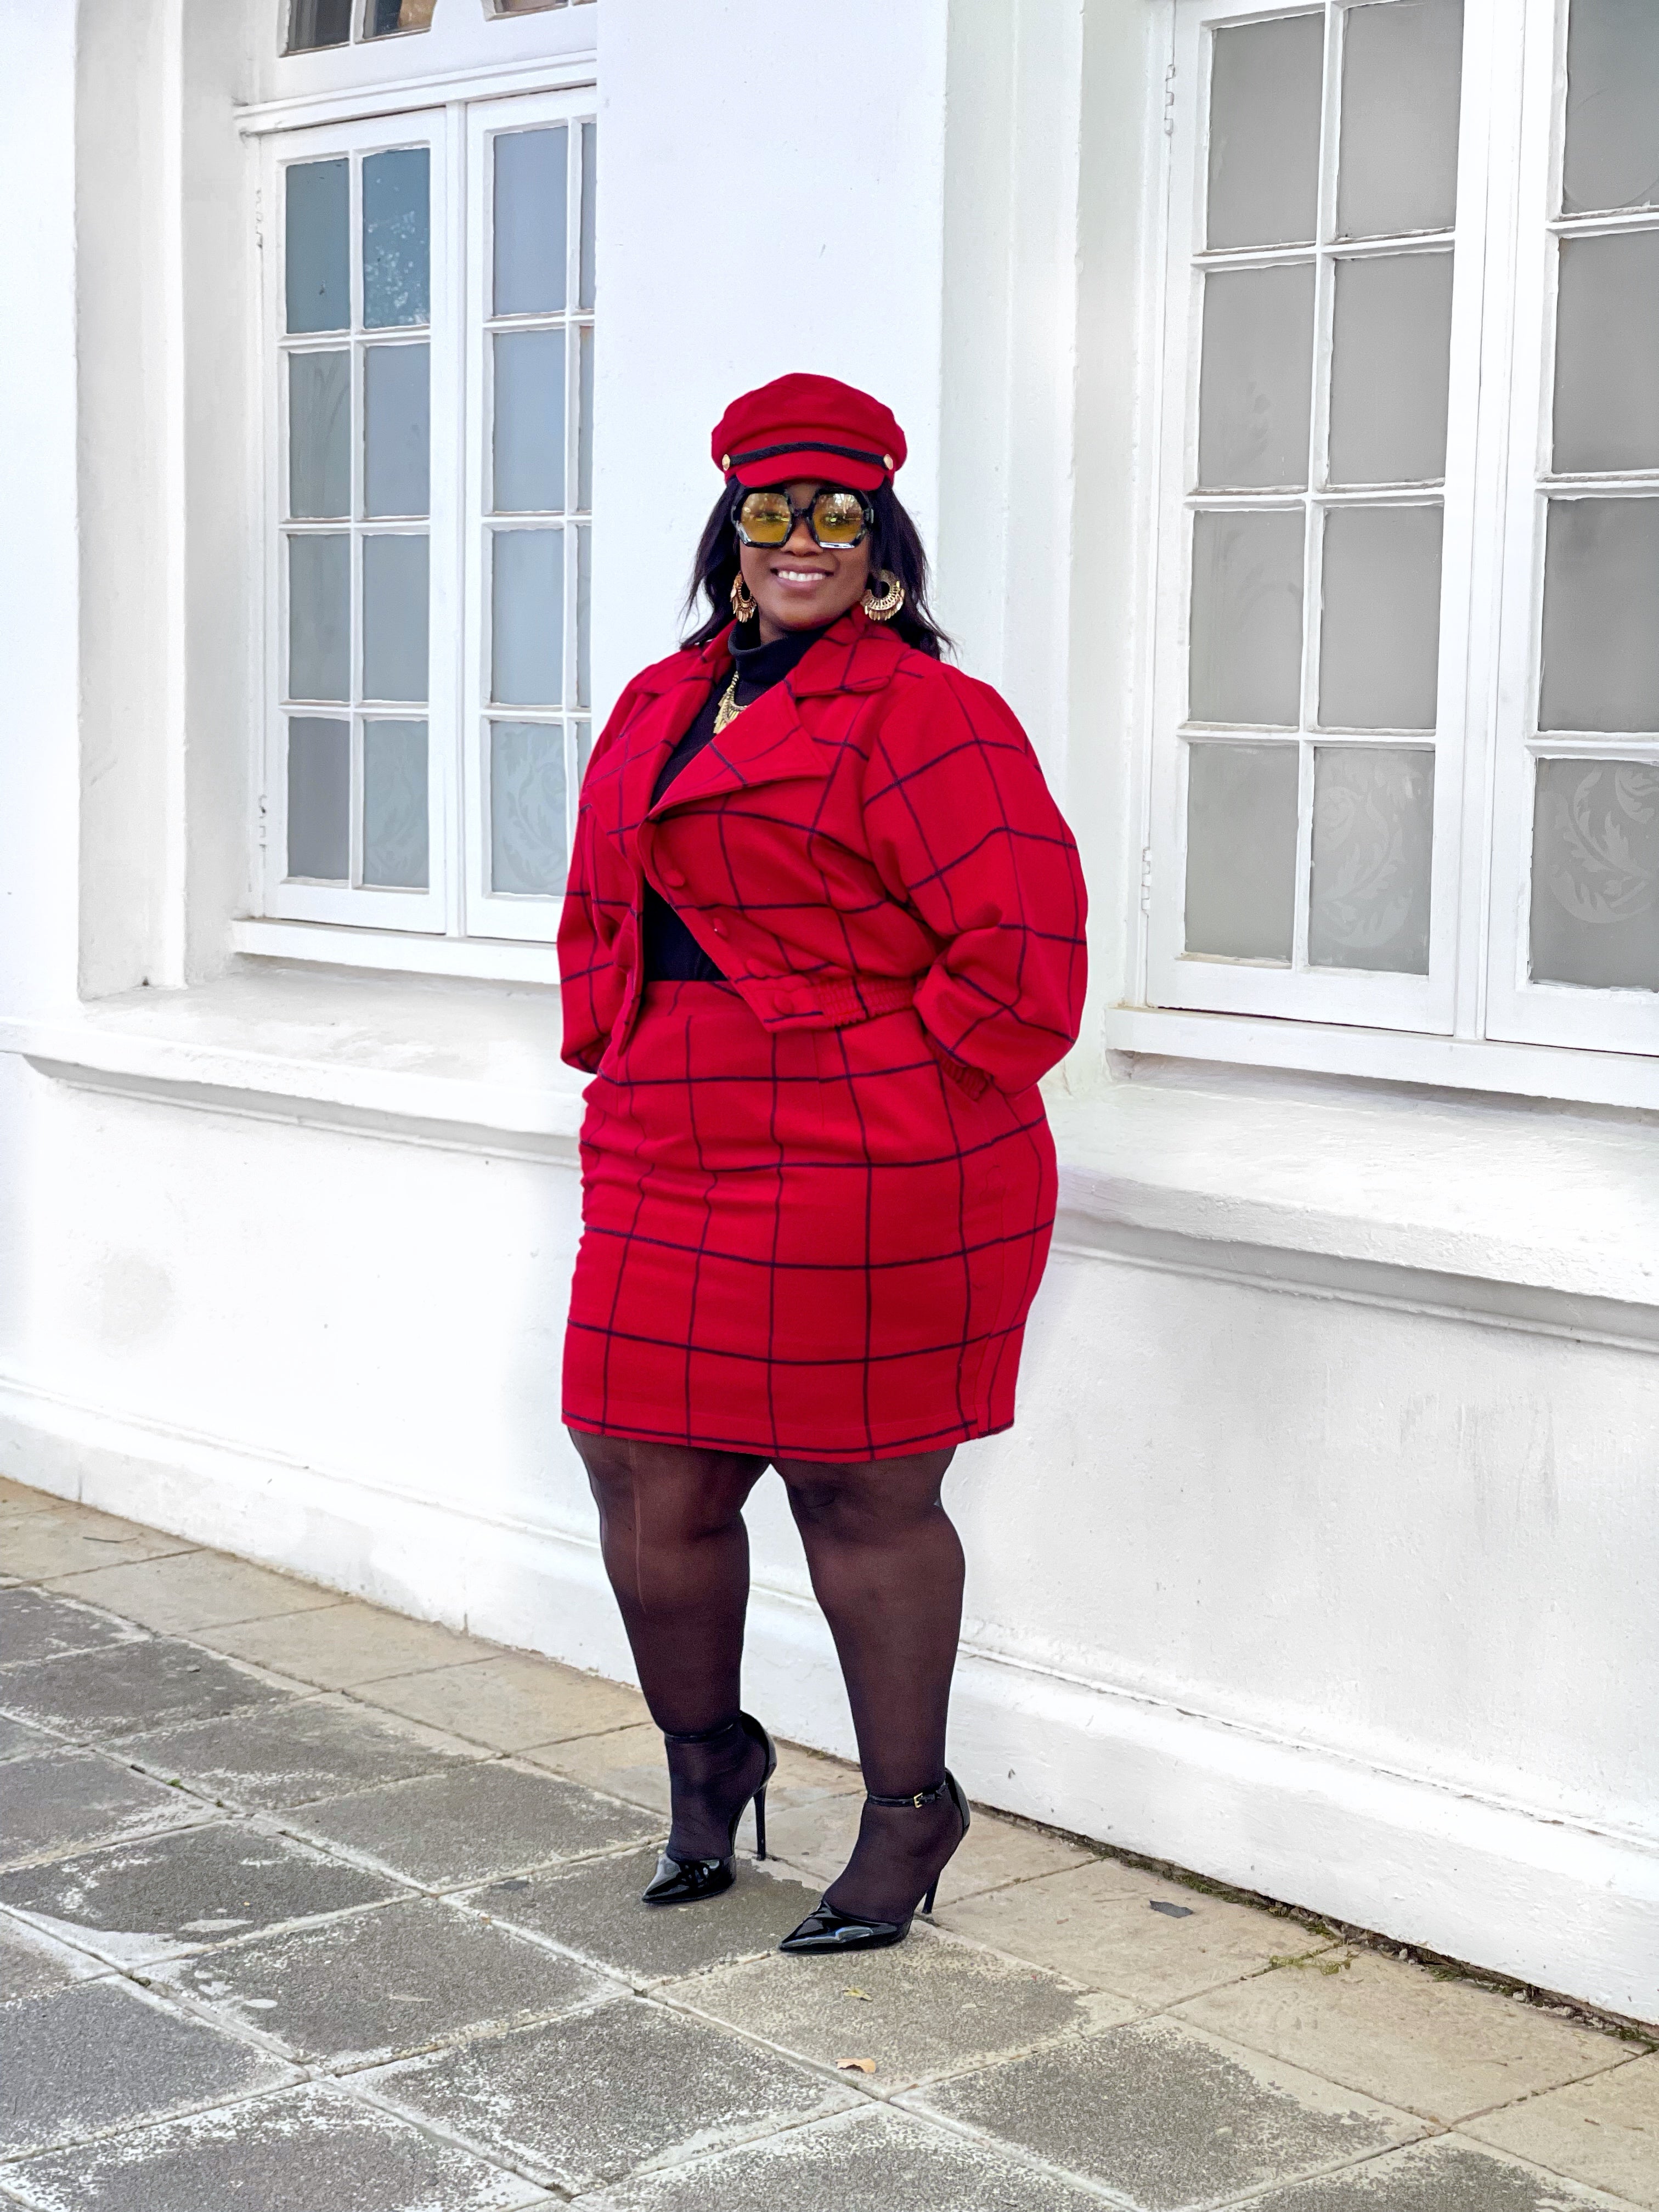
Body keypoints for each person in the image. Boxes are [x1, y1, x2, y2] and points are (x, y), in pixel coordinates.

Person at [557, 373, 1086, 1953]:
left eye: (837, 517)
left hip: (869, 1152)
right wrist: (617, 1043)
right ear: (733, 532)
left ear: (879, 543)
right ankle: (711, 1756)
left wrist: (877, 1078)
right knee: (639, 1466)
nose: (805, 542)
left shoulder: (934, 714)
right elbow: (605, 899)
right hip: (673, 1130)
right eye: (774, 513)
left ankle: (911, 1810)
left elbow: (1026, 960)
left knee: (860, 1491)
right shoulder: (661, 698)